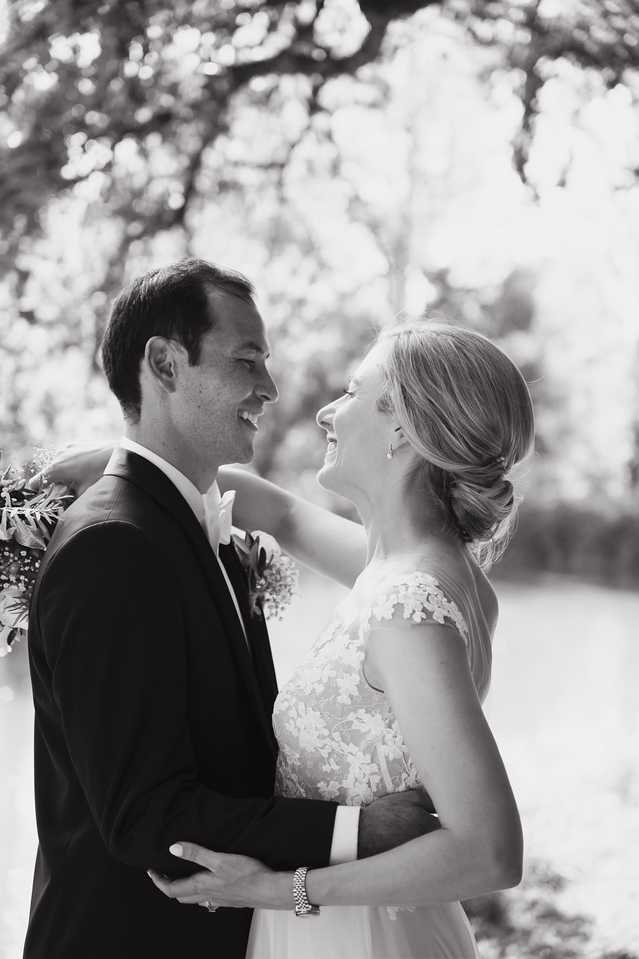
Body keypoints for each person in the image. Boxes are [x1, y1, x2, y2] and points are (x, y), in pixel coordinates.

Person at [23, 259, 438, 959]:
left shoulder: (194, 521)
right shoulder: (113, 547)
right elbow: (147, 816)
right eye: (247, 360)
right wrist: (354, 830)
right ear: (164, 363)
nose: (270, 388)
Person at [144, 320, 534, 958]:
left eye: (352, 392)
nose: (328, 410)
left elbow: (490, 850)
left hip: (359, 935)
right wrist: (115, 468)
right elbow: (279, 512)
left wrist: (278, 891)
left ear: (403, 427)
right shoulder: (409, 569)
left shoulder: (409, 608)